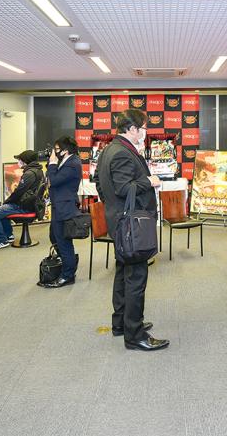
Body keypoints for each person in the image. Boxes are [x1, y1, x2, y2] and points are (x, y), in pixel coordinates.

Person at [96, 109, 169, 352]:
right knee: (136, 277)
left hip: (120, 221)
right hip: (131, 225)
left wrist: (112, 207)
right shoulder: (121, 152)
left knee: (123, 273)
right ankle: (135, 335)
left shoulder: (110, 149)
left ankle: (122, 323)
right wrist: (149, 181)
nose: (146, 132)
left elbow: (99, 183)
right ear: (132, 129)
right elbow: (124, 187)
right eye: (144, 128)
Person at [41, 136, 83, 288]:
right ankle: (69, 263)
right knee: (55, 237)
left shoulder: (72, 163)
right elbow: (50, 178)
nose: (55, 152)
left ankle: (67, 275)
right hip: (59, 205)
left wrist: (52, 163)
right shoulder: (66, 160)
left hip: (64, 207)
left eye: (57, 149)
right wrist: (52, 163)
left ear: (66, 150)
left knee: (64, 242)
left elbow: (55, 180)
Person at [0, 149, 44, 250]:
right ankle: (8, 235)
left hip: (24, 206)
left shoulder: (29, 174)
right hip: (32, 205)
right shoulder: (39, 171)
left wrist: (7, 201)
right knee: (2, 210)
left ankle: (0, 240)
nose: (18, 162)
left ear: (25, 161)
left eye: (20, 160)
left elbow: (18, 192)